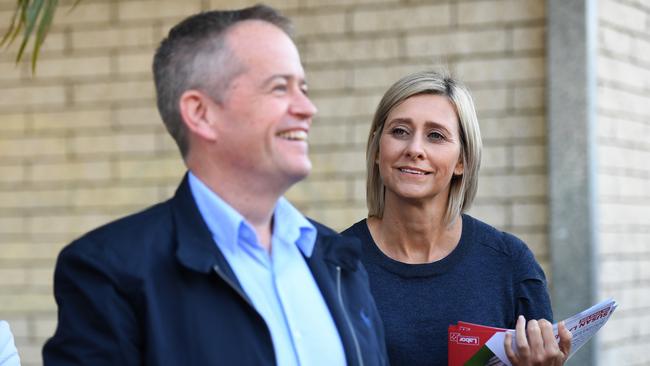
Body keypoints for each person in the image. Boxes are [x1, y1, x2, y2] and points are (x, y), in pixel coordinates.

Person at [42, 5, 386, 366]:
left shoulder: (338, 259)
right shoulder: (109, 273)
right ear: (201, 113)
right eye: (279, 88)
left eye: (303, 87)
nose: (307, 108)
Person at [342, 70, 571, 365]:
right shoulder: (331, 265)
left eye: (435, 135)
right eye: (399, 131)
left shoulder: (510, 265)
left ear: (462, 160)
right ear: (377, 149)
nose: (414, 149)